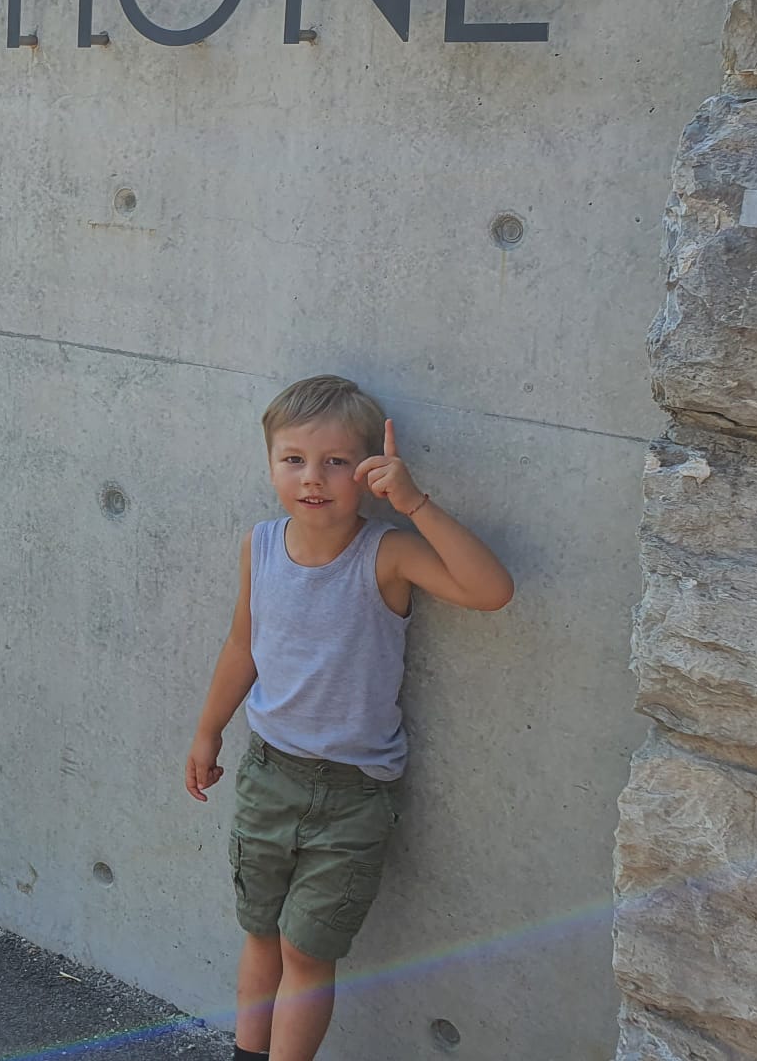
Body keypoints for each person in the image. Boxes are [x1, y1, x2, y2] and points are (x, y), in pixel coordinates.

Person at [185, 375, 515, 1061]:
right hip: (267, 775)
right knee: (262, 936)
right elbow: (244, 643)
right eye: (294, 459)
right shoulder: (262, 545)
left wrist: (415, 502)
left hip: (353, 795)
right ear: (271, 463)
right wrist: (208, 727)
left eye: (337, 461)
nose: (313, 478)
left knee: (307, 952)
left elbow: (491, 591)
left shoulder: (386, 553)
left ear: (368, 471)